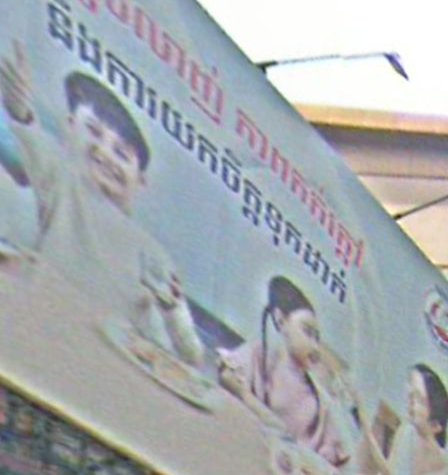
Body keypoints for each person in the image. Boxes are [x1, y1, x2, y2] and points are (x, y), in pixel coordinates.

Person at [0, 40, 203, 367]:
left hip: (109, 368)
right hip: (42, 335)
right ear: (70, 128)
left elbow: (190, 356)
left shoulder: (152, 252)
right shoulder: (63, 181)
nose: (104, 153)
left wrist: (174, 313)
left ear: (140, 180)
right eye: (93, 132)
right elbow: (35, 143)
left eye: (121, 153)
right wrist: (21, 112)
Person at [217, 275, 351, 468]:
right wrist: (252, 402)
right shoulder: (259, 354)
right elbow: (228, 377)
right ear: (281, 320)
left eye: (317, 338)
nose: (314, 345)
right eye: (307, 332)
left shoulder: (318, 398)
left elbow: (330, 454)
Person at [358, 363, 448, 475]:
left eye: (419, 399)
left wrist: (365, 423)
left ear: (435, 425)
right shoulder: (407, 431)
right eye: (410, 393)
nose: (410, 401)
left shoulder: (440, 465)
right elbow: (388, 469)